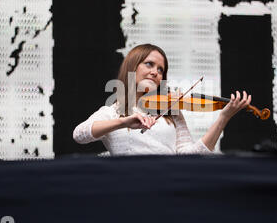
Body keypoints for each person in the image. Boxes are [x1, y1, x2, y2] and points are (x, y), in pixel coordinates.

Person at [73, 43, 252, 155]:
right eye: (149, 64)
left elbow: (190, 158)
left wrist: (223, 117)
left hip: (167, 182)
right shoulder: (112, 112)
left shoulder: (171, 113)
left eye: (161, 70)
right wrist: (124, 122)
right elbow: (79, 135)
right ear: (132, 67)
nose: (155, 72)